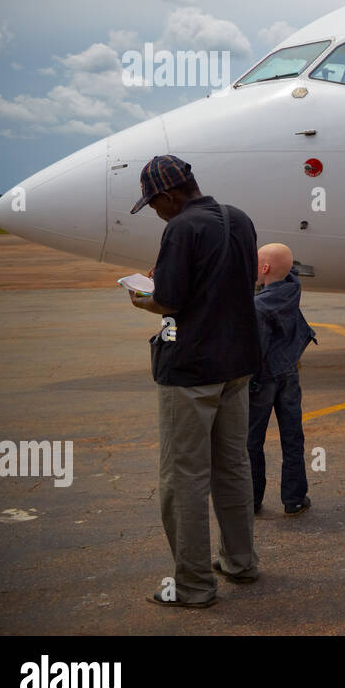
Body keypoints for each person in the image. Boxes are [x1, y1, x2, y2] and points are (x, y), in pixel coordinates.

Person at [127, 155, 260, 607]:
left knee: (184, 477)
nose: (155, 212)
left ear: (169, 195)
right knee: (233, 465)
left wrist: (142, 296)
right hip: (237, 364)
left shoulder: (180, 228)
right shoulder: (239, 219)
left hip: (191, 370)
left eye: (153, 204)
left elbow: (168, 300)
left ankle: (194, 586)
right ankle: (240, 562)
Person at [248, 242, 316, 516]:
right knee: (292, 436)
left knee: (252, 441)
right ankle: (294, 498)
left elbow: (257, 350)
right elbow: (288, 269)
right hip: (290, 370)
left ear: (264, 268)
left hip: (265, 377)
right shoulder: (292, 288)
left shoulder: (259, 306)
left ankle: (251, 499)